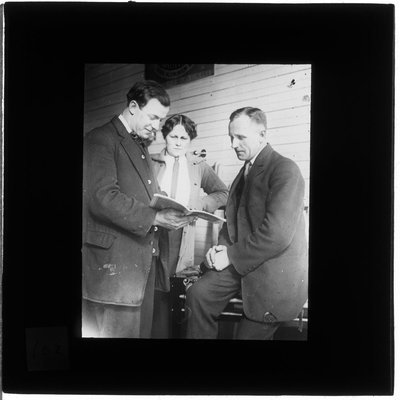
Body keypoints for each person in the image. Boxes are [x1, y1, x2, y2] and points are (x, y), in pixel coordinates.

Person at [82, 80, 195, 338]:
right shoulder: (100, 138)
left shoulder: (139, 146)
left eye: (161, 119)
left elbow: (148, 192)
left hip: (139, 267)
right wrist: (155, 216)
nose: (157, 126)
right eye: (153, 117)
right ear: (133, 107)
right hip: (114, 270)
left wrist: (172, 206)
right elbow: (102, 197)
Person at [185, 107, 308, 340]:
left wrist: (230, 256)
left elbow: (277, 235)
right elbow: (231, 222)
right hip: (245, 261)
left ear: (262, 135)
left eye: (240, 137)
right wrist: (221, 247)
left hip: (274, 272)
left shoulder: (285, 170)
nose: (233, 144)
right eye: (231, 137)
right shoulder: (243, 174)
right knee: (198, 295)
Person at [151, 114, 229, 338]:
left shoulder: (197, 166)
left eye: (183, 138)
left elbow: (223, 193)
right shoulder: (150, 161)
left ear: (190, 140)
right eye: (173, 136)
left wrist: (201, 203)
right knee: (154, 294)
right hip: (155, 234)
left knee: (174, 290)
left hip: (181, 237)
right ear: (165, 136)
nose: (177, 142)